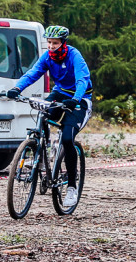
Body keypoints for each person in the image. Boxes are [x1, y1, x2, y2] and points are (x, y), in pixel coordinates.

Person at [5, 25, 92, 210]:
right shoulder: (47, 57)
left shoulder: (74, 56)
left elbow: (82, 79)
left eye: (55, 43)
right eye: (49, 43)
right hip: (59, 93)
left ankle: (71, 188)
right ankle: (42, 154)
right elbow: (33, 73)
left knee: (68, 138)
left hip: (80, 99)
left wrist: (75, 99)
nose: (51, 46)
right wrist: (17, 88)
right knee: (43, 113)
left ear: (63, 43)